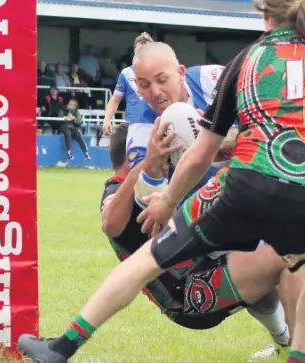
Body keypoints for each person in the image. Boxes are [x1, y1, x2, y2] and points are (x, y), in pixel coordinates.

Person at [17, 1, 305, 362]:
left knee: (147, 259)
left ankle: (62, 347)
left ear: (265, 15)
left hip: (245, 186)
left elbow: (200, 152)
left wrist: (168, 201)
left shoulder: (249, 59)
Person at [100, 122, 291, 358]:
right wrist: (143, 164)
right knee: (286, 257)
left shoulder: (158, 178)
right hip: (188, 296)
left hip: (204, 268)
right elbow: (110, 224)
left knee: (267, 240)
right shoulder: (115, 191)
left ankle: (286, 342)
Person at [101, 32, 155, 167]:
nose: (142, 54)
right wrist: (107, 119)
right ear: (134, 52)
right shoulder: (126, 73)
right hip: (133, 127)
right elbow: (115, 99)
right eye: (139, 50)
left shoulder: (158, 72)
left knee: (153, 168)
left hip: (154, 126)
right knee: (129, 166)